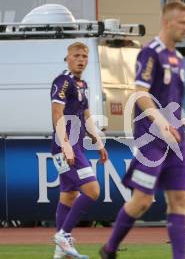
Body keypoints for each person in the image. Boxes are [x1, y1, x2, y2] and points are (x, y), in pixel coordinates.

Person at [99, 1, 185, 259]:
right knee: (142, 202)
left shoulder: (179, 58)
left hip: (176, 140)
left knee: (180, 201)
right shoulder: (151, 52)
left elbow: (174, 99)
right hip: (152, 140)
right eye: (182, 22)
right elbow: (140, 92)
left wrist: (179, 120)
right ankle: (109, 249)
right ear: (166, 22)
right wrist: (160, 121)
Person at [51, 42, 108, 259]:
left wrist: (99, 142)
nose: (81, 59)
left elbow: (86, 116)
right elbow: (57, 114)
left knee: (68, 196)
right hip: (63, 146)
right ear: (68, 58)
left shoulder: (82, 84)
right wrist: (66, 146)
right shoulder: (63, 81)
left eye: (84, 56)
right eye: (76, 55)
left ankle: (60, 251)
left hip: (76, 145)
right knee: (92, 190)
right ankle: (63, 235)